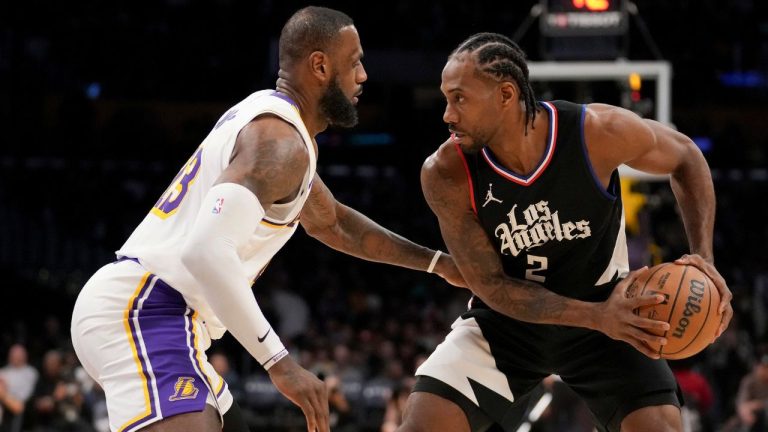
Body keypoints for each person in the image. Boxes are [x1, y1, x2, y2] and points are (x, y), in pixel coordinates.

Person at [70, 7, 464, 432]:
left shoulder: (276, 126)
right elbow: (205, 251)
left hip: (170, 322)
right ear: (319, 65)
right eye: (355, 63)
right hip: (147, 311)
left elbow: (334, 223)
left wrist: (437, 263)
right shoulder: (280, 143)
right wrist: (280, 363)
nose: (364, 76)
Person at [398, 32, 733, 432]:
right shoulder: (446, 172)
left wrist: (704, 259)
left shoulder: (596, 133)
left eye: (460, 98)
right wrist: (596, 317)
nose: (447, 114)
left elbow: (686, 157)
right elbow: (490, 285)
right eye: (446, 99)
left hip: (610, 312)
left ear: (506, 94)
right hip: (509, 324)